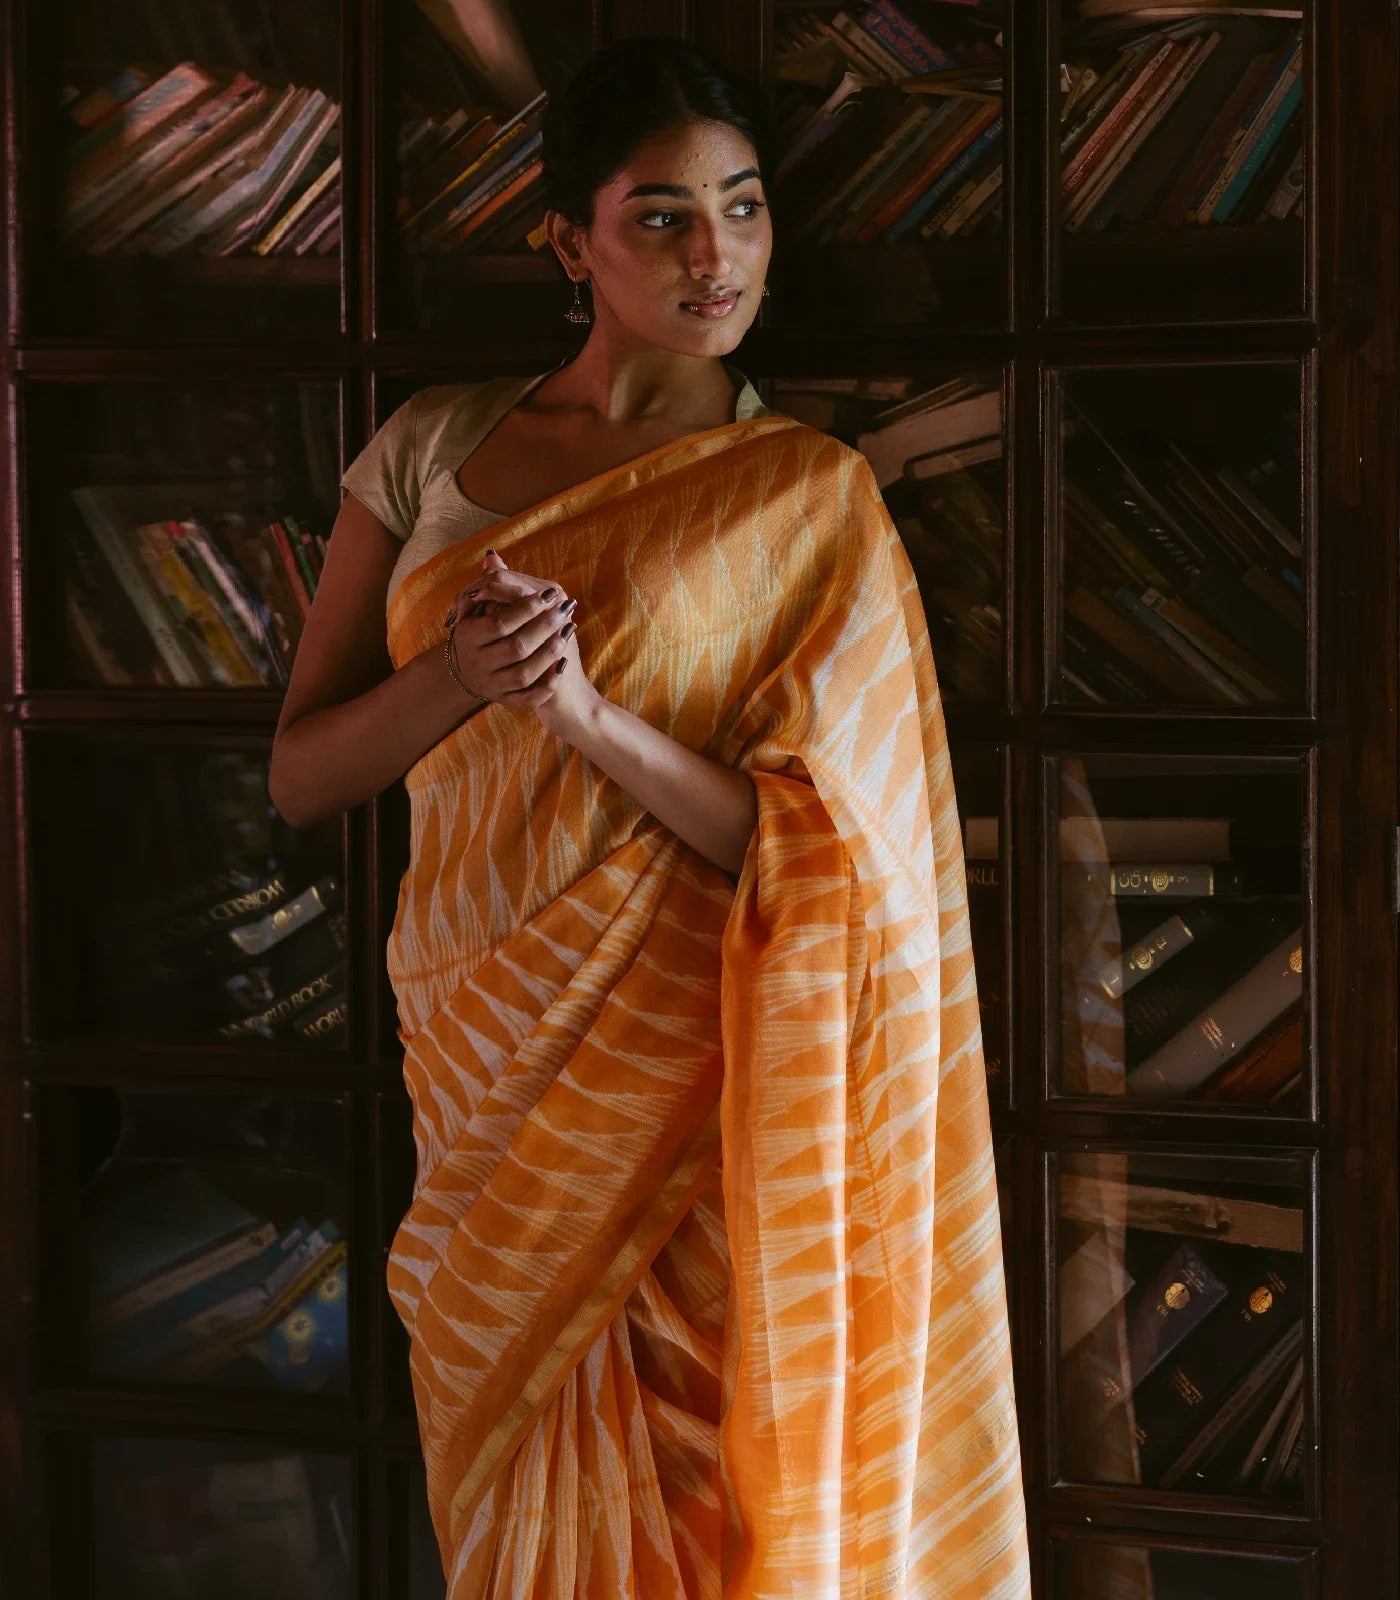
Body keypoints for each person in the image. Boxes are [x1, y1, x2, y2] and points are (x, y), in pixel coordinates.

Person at [268, 34, 1030, 1600]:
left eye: (744, 210)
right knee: (516, 1488)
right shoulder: (427, 449)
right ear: (569, 238)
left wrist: (585, 718)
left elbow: (826, 850)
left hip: (691, 1081)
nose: (718, 258)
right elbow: (303, 773)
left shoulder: (801, 496)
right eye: (664, 218)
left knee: (704, 1498)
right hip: (488, 1066)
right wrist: (466, 684)